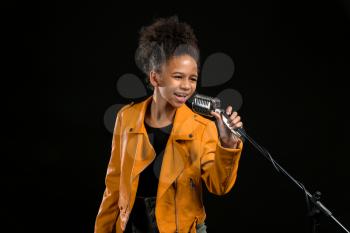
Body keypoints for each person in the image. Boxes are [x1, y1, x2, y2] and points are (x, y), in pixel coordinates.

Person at [95, 16, 244, 233]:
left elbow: (219, 186)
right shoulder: (126, 118)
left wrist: (228, 145)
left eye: (192, 79)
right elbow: (114, 185)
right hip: (134, 226)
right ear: (155, 78)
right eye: (177, 77)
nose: (186, 86)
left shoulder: (203, 128)